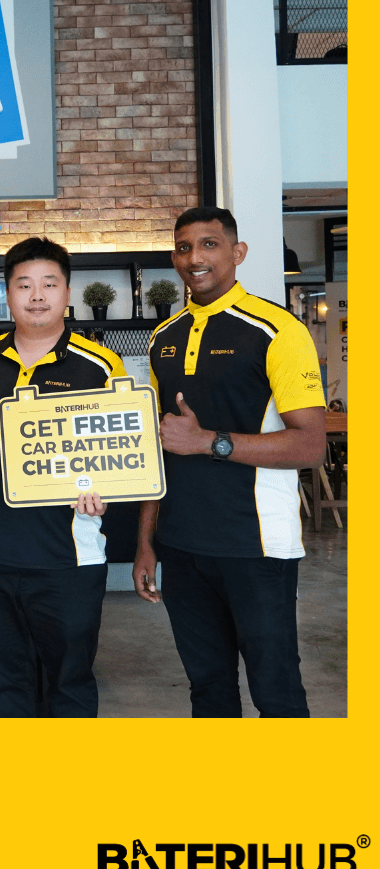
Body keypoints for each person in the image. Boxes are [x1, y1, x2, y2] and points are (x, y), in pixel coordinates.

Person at [132, 206, 325, 717]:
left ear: (237, 252)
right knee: (209, 690)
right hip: (182, 547)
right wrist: (146, 544)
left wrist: (210, 442)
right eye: (183, 247)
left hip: (256, 546)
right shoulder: (163, 339)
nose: (195, 258)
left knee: (276, 689)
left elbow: (310, 446)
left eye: (209, 245)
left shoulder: (278, 331)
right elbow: (158, 453)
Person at [0, 237, 125, 717]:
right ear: (6, 294)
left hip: (68, 555)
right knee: (4, 684)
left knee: (69, 682)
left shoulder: (100, 366)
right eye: (24, 285)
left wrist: (104, 493)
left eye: (49, 284)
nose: (37, 296)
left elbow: (118, 450)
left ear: (67, 292)